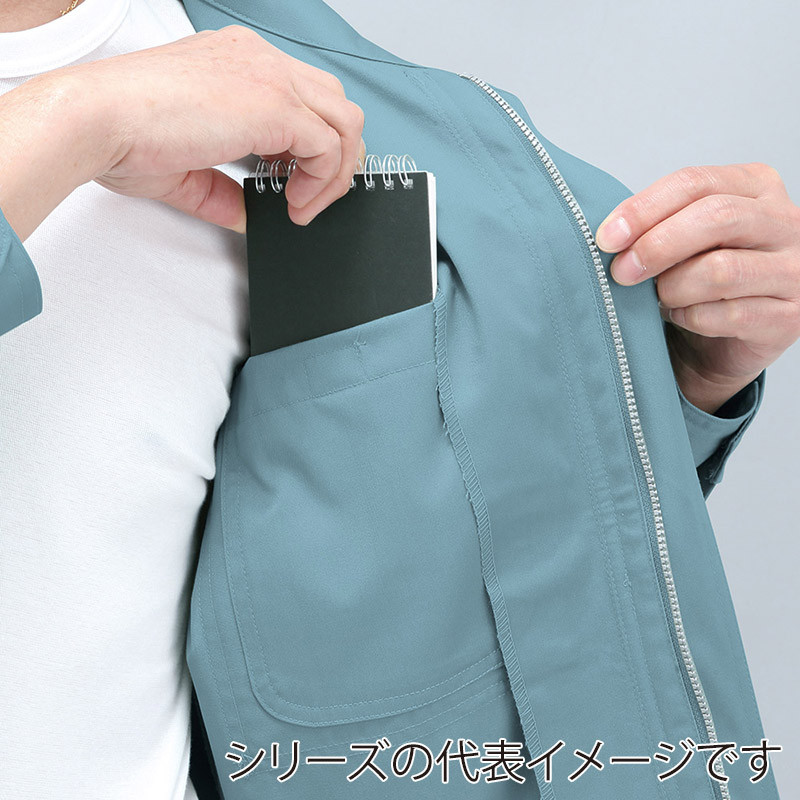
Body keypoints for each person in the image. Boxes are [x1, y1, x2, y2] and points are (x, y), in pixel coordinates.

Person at [0, 0, 797, 798]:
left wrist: (668, 387)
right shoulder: (152, 97)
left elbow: (406, 557)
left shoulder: (272, 92)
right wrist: (75, 118)